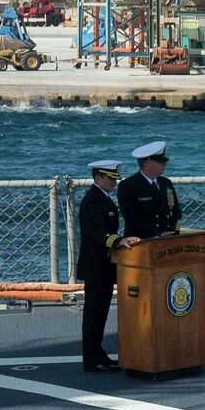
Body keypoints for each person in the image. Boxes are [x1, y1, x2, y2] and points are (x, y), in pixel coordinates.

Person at [75, 157, 136, 372]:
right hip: (96, 266)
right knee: (94, 312)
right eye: (110, 179)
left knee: (99, 312)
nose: (114, 183)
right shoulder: (93, 201)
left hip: (103, 266)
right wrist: (118, 241)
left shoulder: (102, 199)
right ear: (98, 177)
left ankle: (97, 354)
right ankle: (92, 358)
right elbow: (96, 232)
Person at [118, 139, 181, 239]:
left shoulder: (166, 183)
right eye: (160, 162)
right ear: (147, 164)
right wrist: (158, 233)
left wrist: (173, 231)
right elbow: (131, 218)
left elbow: (176, 212)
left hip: (168, 239)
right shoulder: (127, 185)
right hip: (141, 241)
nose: (165, 164)